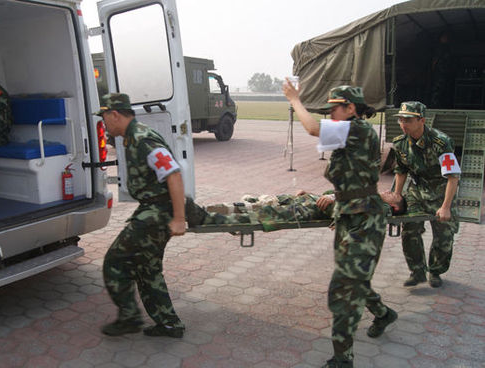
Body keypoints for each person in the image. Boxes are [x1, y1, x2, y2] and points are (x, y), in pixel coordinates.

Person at [283, 83, 397, 368]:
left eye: (335, 108)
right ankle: (382, 313)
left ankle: (342, 359)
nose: (331, 112)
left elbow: (311, 128)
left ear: (351, 108)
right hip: (350, 214)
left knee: (343, 289)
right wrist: (332, 200)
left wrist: (295, 100)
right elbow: (352, 177)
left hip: (364, 220)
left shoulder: (358, 130)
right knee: (354, 280)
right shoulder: (348, 135)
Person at [96, 93, 186, 338]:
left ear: (115, 114)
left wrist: (179, 218)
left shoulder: (142, 138)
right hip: (152, 208)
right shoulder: (130, 137)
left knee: (115, 261)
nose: (104, 124)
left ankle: (129, 318)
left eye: (104, 118)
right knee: (147, 267)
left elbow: (173, 175)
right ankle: (169, 324)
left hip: (157, 212)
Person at [392, 101, 460, 288]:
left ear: (421, 120)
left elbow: (453, 177)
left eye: (407, 120)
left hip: (441, 191)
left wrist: (446, 207)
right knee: (409, 230)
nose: (402, 124)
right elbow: (401, 171)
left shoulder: (441, 142)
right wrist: (397, 197)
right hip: (417, 190)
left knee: (444, 235)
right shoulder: (400, 143)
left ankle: (436, 271)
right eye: (400, 119)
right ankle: (417, 271)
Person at [186, 190, 406, 231]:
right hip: (307, 204)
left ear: (394, 206)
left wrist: (336, 204)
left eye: (393, 194)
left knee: (260, 217)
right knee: (261, 207)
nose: (389, 190)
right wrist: (312, 194)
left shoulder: (381, 207)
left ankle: (204, 218)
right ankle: (208, 213)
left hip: (306, 213)